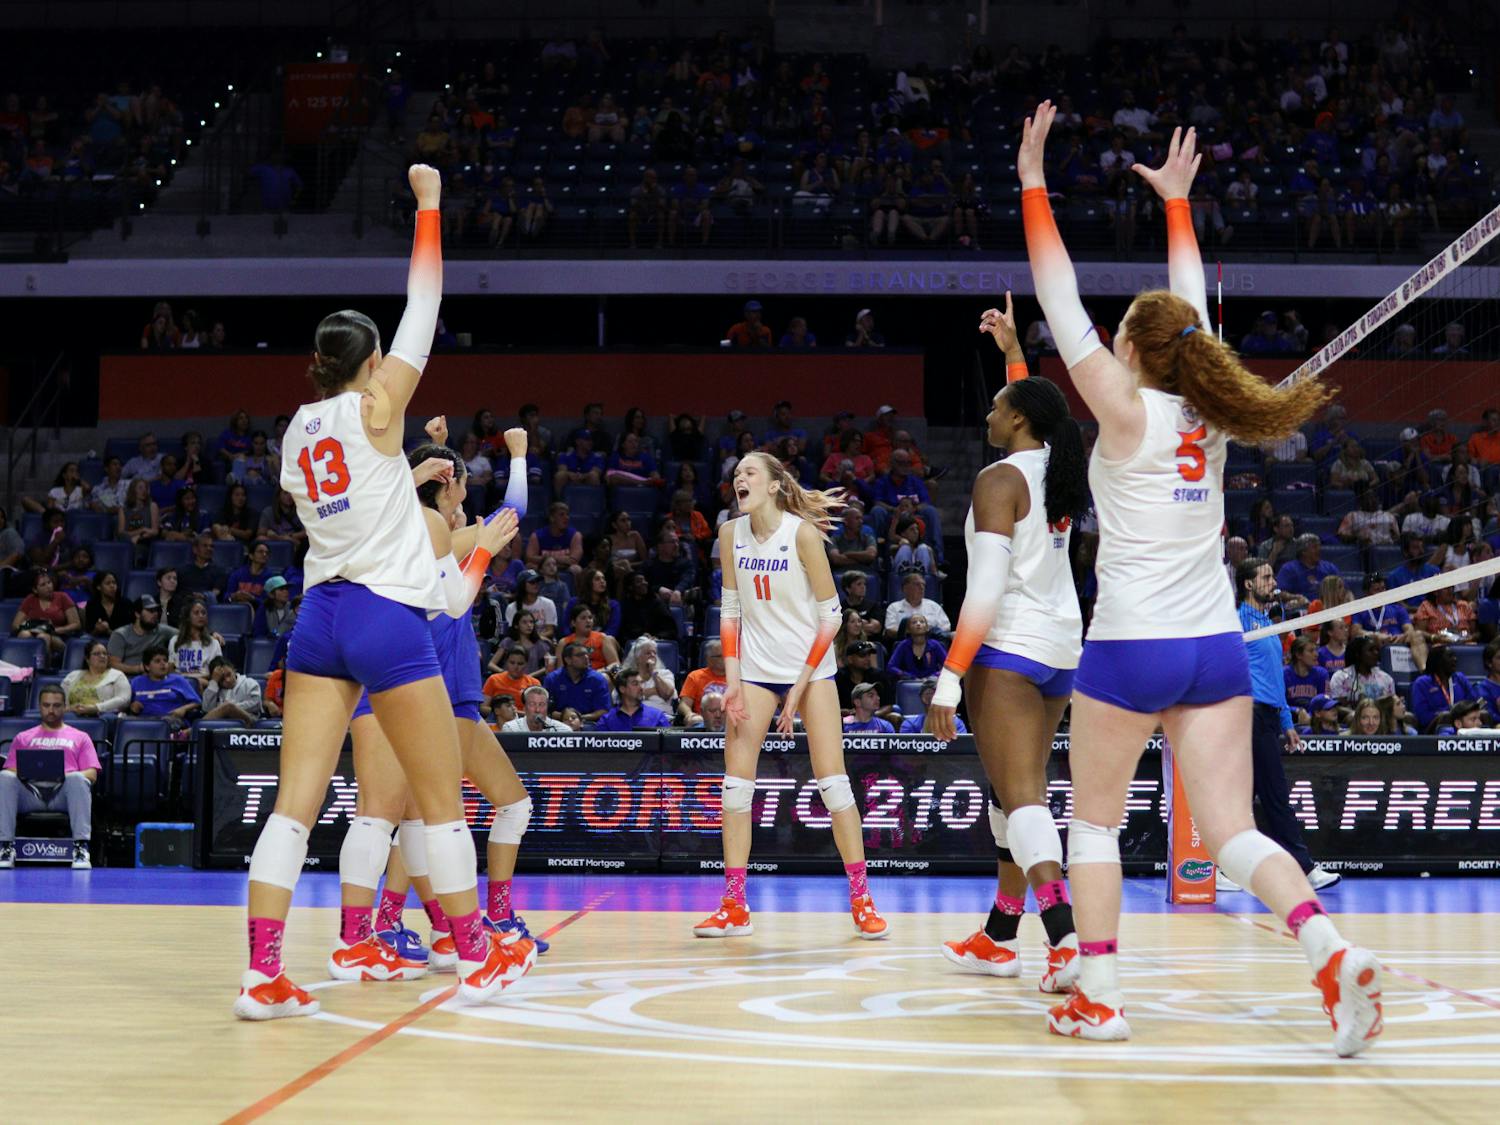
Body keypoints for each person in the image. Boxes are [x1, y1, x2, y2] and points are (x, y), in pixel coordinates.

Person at [1018, 108, 1379, 1052]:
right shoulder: (1209, 411)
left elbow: (1057, 298)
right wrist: (1179, 208)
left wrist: (1032, 183)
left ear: (1130, 349)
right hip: (1217, 647)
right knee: (1232, 834)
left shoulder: (1125, 407)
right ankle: (1328, 948)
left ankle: (1099, 996)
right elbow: (1192, 316)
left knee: (1091, 827)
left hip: (1132, 646)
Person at [238, 167, 532, 1022]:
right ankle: (478, 957)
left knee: (296, 804)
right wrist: (431, 209)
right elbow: (426, 304)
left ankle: (262, 974)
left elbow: (349, 503)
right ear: (368, 364)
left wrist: (405, 472)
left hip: (318, 617)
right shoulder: (377, 406)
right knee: (439, 802)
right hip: (382, 615)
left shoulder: (297, 431)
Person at [343, 422, 545, 974]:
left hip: (446, 692)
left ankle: (451, 927)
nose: (467, 492)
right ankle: (421, 926)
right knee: (410, 818)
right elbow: (457, 592)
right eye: (459, 480)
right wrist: (518, 457)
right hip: (416, 686)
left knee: (416, 817)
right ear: (446, 484)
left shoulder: (429, 528)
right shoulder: (432, 533)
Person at [925, 330, 1087, 990]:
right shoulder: (1056, 462)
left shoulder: (998, 478)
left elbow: (985, 590)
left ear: (1017, 418)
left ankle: (1065, 938)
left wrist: (948, 678)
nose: (988, 415)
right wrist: (1013, 349)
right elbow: (1035, 407)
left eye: (997, 405)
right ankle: (998, 935)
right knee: (1008, 793)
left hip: (1009, 648)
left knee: (1022, 800)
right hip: (1059, 649)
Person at [694, 450, 889, 941]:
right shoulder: (728, 534)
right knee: (735, 788)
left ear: (775, 485)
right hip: (756, 669)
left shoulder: (801, 534)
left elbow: (832, 616)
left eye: (749, 472)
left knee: (834, 785)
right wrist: (733, 679)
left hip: (812, 669)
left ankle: (862, 899)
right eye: (735, 473)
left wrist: (799, 688)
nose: (739, 477)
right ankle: (734, 905)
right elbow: (731, 610)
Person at [1228, 560, 1340, 893]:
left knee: (1246, 795)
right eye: (1266, 577)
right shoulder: (1238, 622)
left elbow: (1275, 678)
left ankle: (1220, 867)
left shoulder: (1265, 622)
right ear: (1248, 584)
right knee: (1275, 794)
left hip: (1266, 716)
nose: (1273, 582)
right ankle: (1304, 868)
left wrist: (1286, 720)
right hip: (1247, 714)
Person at [0, 686, 100, 870]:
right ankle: (5, 846)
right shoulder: (23, 738)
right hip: (31, 794)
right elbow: (11, 770)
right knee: (4, 777)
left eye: (56, 705)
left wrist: (65, 775)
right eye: (46, 705)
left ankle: (81, 848)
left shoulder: (81, 737)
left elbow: (92, 773)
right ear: (39, 706)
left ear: (64, 707)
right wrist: (28, 774)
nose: (51, 710)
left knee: (78, 779)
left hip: (63, 794)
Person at [12, 568, 81, 662]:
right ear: (35, 590)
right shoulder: (30, 599)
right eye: (43, 585)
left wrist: (54, 630)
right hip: (34, 632)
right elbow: (15, 625)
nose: (48, 586)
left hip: (59, 637)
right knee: (24, 634)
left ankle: (44, 668)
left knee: (43, 636)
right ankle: (22, 666)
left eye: (49, 582)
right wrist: (37, 626)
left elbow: (76, 624)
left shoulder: (62, 597)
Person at [1410, 644, 1479, 733]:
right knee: (1445, 716)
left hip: (1463, 724)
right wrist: (1451, 713)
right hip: (1433, 728)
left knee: (1483, 714)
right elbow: (1422, 716)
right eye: (1450, 656)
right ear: (1438, 661)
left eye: (1455, 656)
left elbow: (1474, 703)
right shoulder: (1422, 683)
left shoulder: (1460, 678)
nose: (1455, 659)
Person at [541, 642, 612, 725]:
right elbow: (545, 709)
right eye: (580, 655)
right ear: (568, 660)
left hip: (589, 723)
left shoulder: (597, 679)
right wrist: (566, 718)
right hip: (559, 722)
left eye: (586, 654)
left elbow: (603, 711)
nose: (586, 657)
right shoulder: (552, 679)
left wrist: (578, 718)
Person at [127, 644, 201, 722]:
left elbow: (197, 702)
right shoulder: (136, 682)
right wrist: (133, 706)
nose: (163, 663)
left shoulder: (178, 680)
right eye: (157, 661)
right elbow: (127, 705)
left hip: (171, 720)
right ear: (147, 666)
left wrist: (183, 709)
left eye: (165, 660)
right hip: (143, 721)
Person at [107, 595, 177, 677]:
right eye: (150, 611)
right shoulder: (120, 634)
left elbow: (184, 634)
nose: (155, 614)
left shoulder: (162, 630)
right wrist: (139, 668)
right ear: (137, 614)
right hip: (129, 680)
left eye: (156, 610)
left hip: (157, 679)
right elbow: (113, 664)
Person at [62, 640, 132, 716]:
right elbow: (59, 700)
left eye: (105, 654)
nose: (102, 656)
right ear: (87, 659)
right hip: (72, 715)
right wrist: (70, 709)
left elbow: (124, 699)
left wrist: (96, 708)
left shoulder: (117, 675)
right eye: (97, 654)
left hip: (102, 717)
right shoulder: (72, 676)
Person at [596, 668, 672, 731]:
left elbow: (670, 743)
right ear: (622, 689)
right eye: (635, 684)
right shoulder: (607, 721)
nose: (641, 688)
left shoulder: (657, 716)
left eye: (641, 683)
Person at [201, 655, 265, 723]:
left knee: (228, 707)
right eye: (222, 679)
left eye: (229, 674)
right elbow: (206, 709)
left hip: (248, 722)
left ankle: (191, 730)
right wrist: (214, 682)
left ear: (234, 670)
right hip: (221, 725)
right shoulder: (214, 688)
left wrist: (229, 708)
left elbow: (256, 705)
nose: (227, 680)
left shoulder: (249, 683)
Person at [899, 677, 968, 734]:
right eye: (929, 694)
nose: (933, 699)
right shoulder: (910, 724)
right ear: (923, 698)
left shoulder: (956, 723)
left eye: (937, 694)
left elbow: (960, 747)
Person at [502, 685, 571, 732]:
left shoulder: (562, 730)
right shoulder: (511, 729)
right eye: (532, 704)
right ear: (524, 708)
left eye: (541, 704)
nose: (537, 710)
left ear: (547, 707)